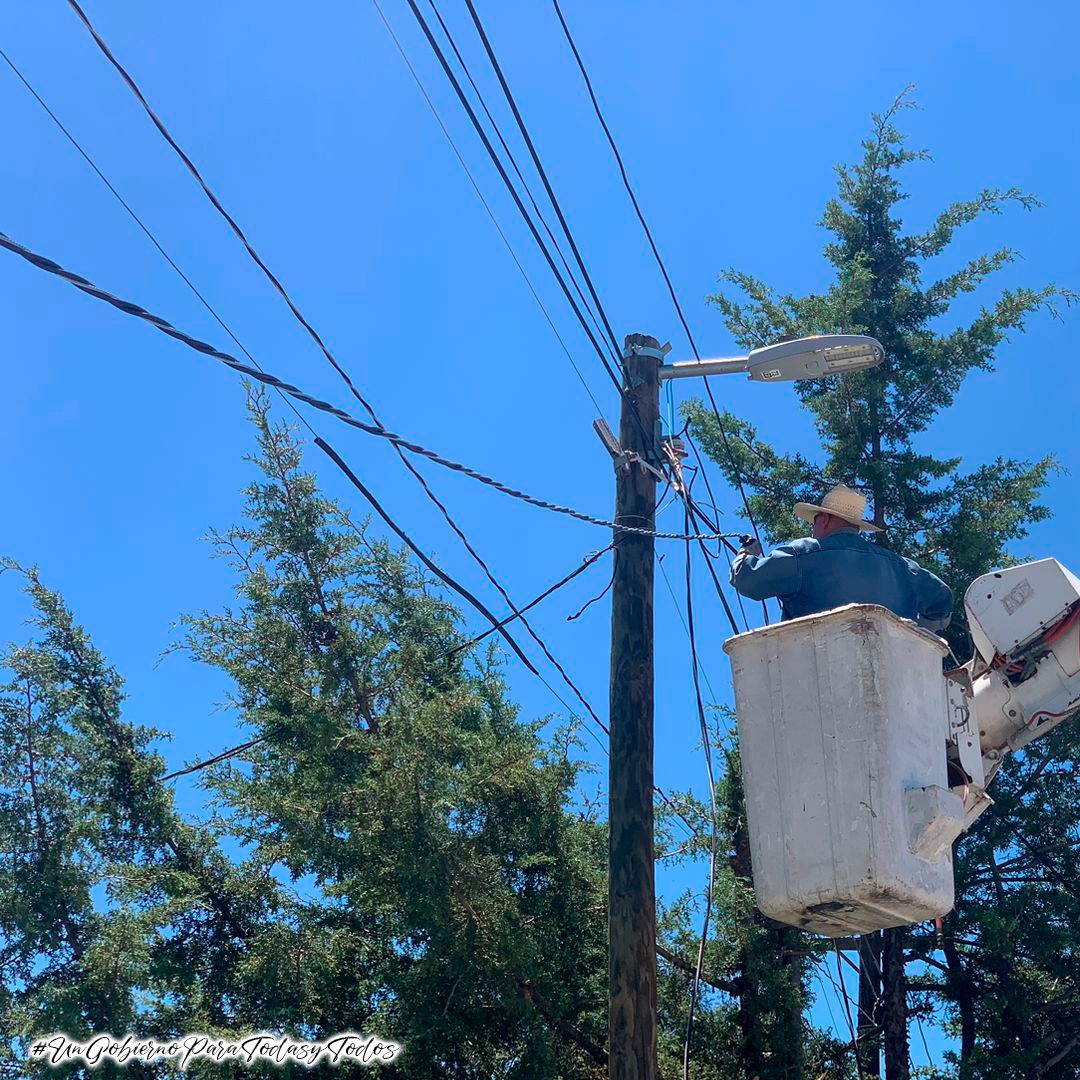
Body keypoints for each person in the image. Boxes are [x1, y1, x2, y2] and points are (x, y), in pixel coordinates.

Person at [730, 483, 953, 632]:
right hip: (896, 683)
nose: (813, 528)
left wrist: (746, 553)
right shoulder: (902, 568)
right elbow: (942, 599)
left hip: (818, 679)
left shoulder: (803, 554)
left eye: (814, 520)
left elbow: (748, 581)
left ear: (825, 519)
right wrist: (918, 635)